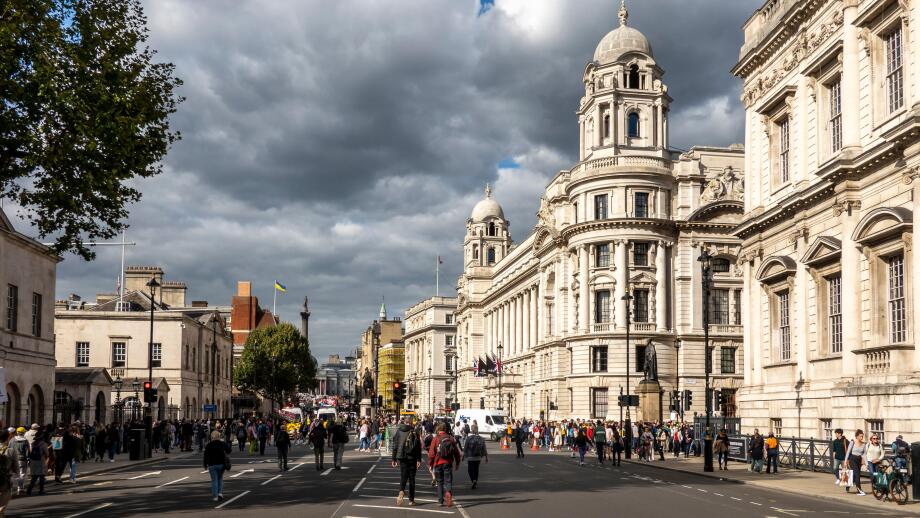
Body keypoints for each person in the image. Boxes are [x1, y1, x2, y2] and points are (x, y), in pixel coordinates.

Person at [428, 423, 461, 507]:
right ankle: (448, 492)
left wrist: (430, 464)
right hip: (448, 462)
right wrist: (457, 463)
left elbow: (431, 454)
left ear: (438, 429)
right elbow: (456, 453)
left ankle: (440, 501)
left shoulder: (436, 439)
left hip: (438, 462)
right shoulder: (450, 438)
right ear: (446, 429)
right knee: (448, 481)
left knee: (439, 482)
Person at [391, 418, 422, 507]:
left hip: (402, 457)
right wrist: (419, 460)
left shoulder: (399, 431)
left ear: (404, 422)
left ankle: (401, 491)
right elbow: (418, 447)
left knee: (403, 476)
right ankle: (411, 500)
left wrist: (394, 459)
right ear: (411, 423)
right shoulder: (414, 432)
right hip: (412, 457)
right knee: (412, 478)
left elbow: (395, 445)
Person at [203, 430, 228, 502]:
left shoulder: (208, 445)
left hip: (212, 465)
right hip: (221, 464)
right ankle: (220, 493)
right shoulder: (222, 443)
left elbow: (205, 456)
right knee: (220, 478)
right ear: (219, 436)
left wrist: (205, 464)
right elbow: (229, 450)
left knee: (214, 480)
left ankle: (215, 496)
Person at [0, 429, 20, 517]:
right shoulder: (10, 450)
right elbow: (16, 465)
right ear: (7, 438)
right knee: (6, 493)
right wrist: (17, 474)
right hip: (5, 477)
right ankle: (1, 511)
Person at [844, 429, 868, 496]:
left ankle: (848, 485)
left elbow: (864, 454)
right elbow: (848, 452)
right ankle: (859, 489)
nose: (861, 438)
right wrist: (845, 461)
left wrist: (867, 463)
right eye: (860, 436)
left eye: (862, 436)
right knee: (857, 474)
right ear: (857, 436)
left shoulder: (863, 444)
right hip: (852, 459)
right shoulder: (853, 442)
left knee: (854, 476)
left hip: (859, 460)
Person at [10, 428, 28, 496]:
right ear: (23, 433)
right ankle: (20, 489)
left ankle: (11, 489)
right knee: (22, 474)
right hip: (22, 459)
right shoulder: (25, 441)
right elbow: (27, 452)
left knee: (13, 474)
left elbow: (9, 449)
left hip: (13, 459)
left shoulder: (12, 440)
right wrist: (28, 459)